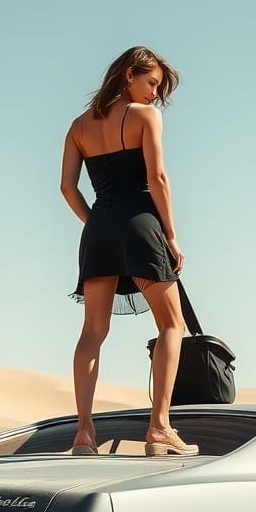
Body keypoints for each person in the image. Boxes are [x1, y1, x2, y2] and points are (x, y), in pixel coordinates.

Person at [60, 46, 199, 457]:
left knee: (92, 333)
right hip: (141, 224)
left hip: (99, 227)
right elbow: (156, 177)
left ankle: (84, 433)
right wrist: (171, 236)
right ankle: (160, 427)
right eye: (151, 83)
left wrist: (96, 223)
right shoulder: (144, 116)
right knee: (172, 325)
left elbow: (67, 188)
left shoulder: (78, 126)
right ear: (128, 77)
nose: (155, 94)